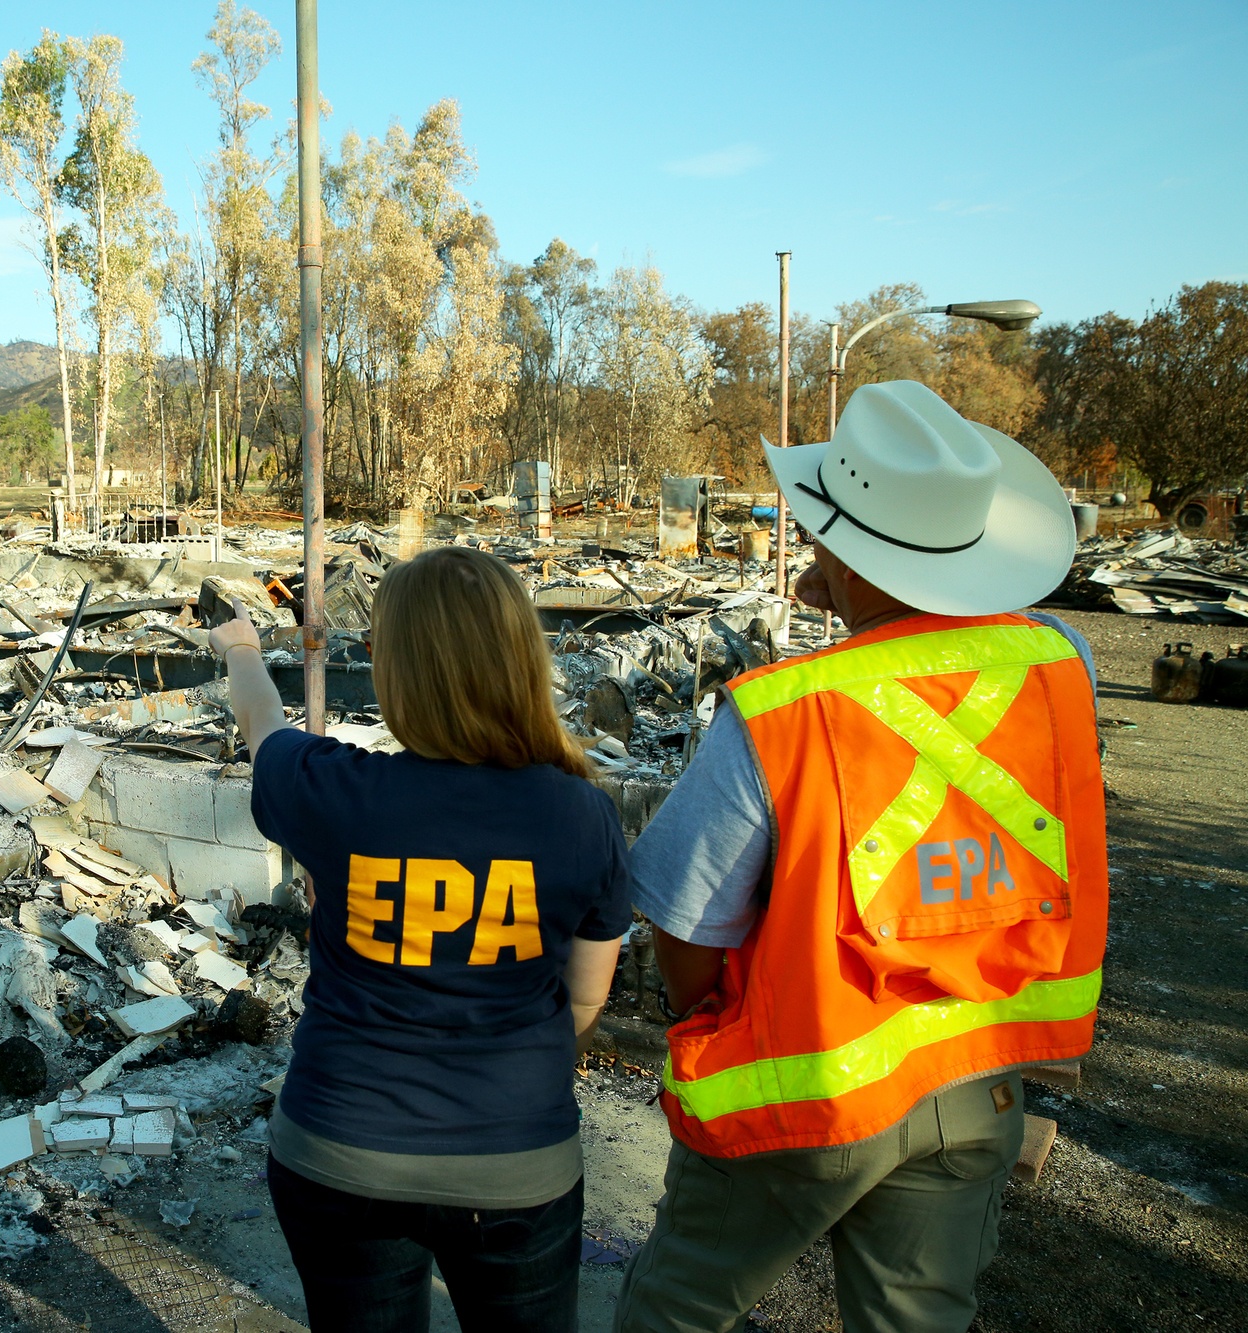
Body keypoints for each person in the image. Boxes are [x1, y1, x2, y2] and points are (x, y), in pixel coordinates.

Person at [614, 380, 1108, 1333]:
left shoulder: (778, 711)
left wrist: (709, 1020)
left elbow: (685, 918)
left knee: (678, 1308)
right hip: (977, 1077)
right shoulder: (1062, 664)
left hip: (808, 1092)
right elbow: (946, 646)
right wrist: (859, 593)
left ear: (845, 547)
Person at [212, 545, 631, 1333]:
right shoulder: (582, 814)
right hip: (518, 1163)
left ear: (395, 669)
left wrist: (239, 647)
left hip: (338, 1149)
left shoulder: (335, 792)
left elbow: (261, 720)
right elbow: (585, 998)